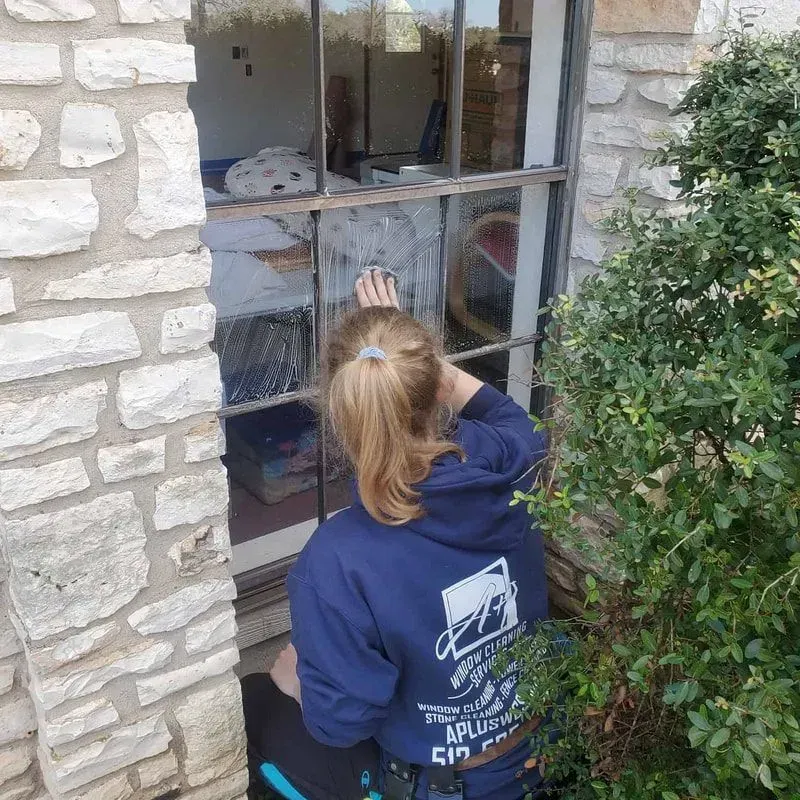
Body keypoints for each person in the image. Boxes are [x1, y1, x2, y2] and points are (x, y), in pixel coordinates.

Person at [241, 270, 551, 800]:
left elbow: (343, 723)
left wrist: (299, 684)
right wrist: (410, 357)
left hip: (446, 787)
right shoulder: (515, 462)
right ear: (436, 387)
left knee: (263, 706)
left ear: (338, 418)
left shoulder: (339, 560)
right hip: (537, 751)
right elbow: (504, 412)